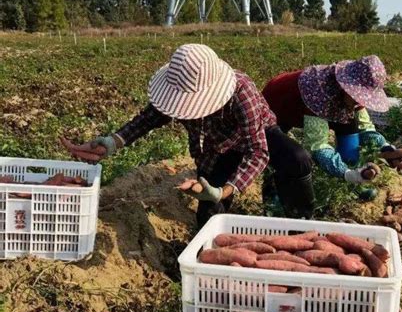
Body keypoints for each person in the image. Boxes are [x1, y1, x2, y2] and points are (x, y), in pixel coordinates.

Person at [62, 44, 315, 226]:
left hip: (255, 135)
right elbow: (149, 118)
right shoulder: (179, 87)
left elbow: (257, 150)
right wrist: (112, 142)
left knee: (297, 158)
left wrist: (226, 189)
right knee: (208, 215)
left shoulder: (241, 90)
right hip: (218, 149)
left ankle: (301, 224)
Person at [262, 55, 402, 197]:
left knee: (350, 139)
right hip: (277, 105)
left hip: (329, 102)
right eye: (359, 96)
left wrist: (384, 147)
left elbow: (365, 127)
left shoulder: (351, 96)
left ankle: (351, 186)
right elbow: (318, 146)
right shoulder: (318, 94)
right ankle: (274, 196)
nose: (360, 101)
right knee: (280, 155)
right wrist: (346, 173)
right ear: (345, 87)